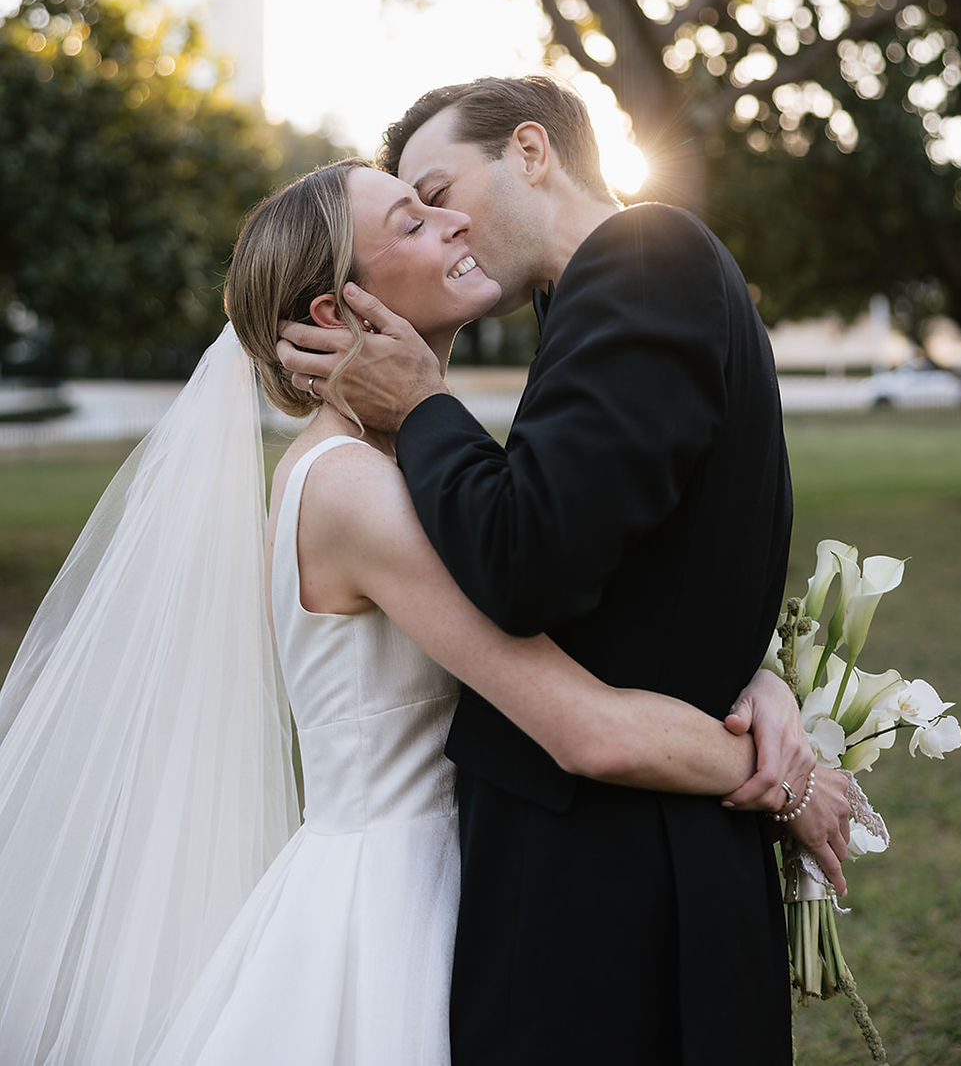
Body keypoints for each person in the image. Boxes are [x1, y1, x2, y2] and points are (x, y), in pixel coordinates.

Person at [0, 158, 847, 1066]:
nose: (454, 225)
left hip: (484, 869)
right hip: (392, 906)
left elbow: (571, 608)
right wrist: (790, 781)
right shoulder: (352, 489)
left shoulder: (420, 459)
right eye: (413, 222)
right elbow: (583, 726)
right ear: (339, 314)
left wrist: (755, 679)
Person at [276, 76, 832, 1066]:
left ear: (531, 151)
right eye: (412, 217)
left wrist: (426, 405)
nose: (443, 230)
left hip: (616, 872)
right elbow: (634, 566)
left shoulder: (637, 261)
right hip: (599, 853)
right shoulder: (593, 305)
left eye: (437, 192)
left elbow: (525, 564)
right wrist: (759, 699)